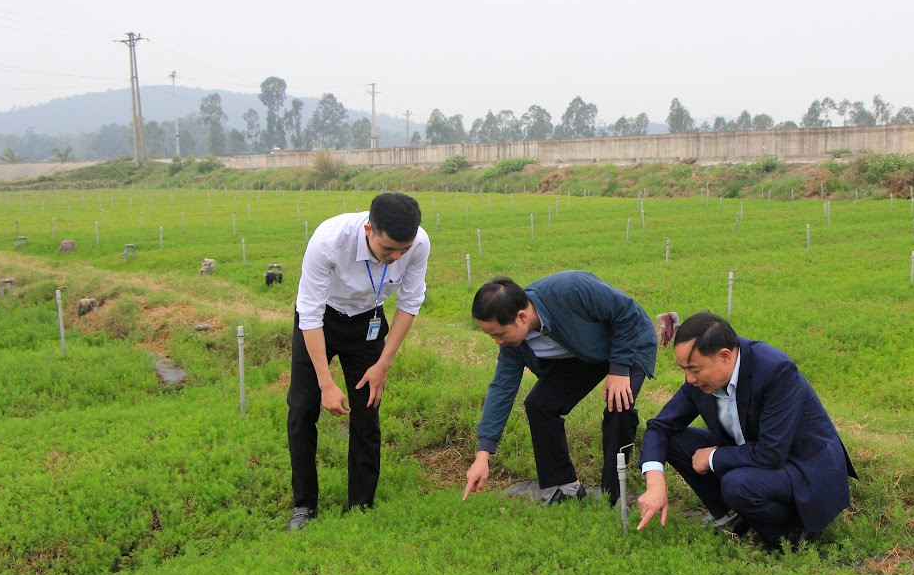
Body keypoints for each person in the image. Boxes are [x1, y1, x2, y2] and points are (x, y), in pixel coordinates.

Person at [636, 311, 856, 549]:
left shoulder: (776, 371)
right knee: (674, 439)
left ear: (725, 356)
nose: (689, 379)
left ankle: (789, 537)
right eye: (684, 370)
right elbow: (659, 427)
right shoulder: (700, 381)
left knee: (737, 484)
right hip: (756, 451)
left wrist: (713, 457)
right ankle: (734, 516)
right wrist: (655, 482)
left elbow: (771, 454)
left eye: (695, 369)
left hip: (802, 464)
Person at [285, 193, 430, 530]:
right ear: (369, 230)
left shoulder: (418, 243)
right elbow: (309, 313)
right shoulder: (329, 241)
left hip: (369, 323)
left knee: (367, 407)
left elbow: (410, 302)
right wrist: (326, 383)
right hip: (321, 320)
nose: (395, 257)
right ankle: (304, 505)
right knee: (302, 407)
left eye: (402, 251)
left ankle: (361, 503)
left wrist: (383, 363)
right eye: (387, 250)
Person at [463, 271, 657, 506]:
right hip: (583, 352)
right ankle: (564, 487)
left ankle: (613, 495)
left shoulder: (571, 289)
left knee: (619, 406)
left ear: (522, 317)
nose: (498, 342)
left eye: (500, 334)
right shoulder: (514, 346)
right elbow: (502, 389)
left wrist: (619, 369)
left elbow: (626, 313)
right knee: (540, 404)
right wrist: (483, 454)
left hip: (628, 343)